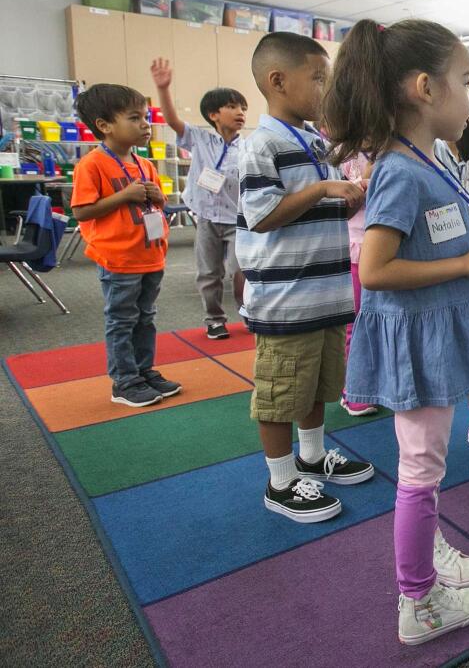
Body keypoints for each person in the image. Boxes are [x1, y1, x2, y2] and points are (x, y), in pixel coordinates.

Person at [324, 19, 469, 645]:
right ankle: (419, 600)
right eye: (465, 81)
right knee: (421, 467)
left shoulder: (425, 160)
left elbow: (430, 236)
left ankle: (429, 557)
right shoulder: (400, 170)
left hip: (433, 330)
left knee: (424, 462)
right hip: (418, 338)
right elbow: (375, 268)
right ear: (426, 88)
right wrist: (466, 261)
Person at [236, 32, 374, 524]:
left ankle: (312, 456)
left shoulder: (314, 139)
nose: (326, 88)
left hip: (325, 293)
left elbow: (317, 203)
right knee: (279, 392)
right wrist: (322, 190)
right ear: (278, 81)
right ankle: (280, 482)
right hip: (286, 299)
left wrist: (346, 196)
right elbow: (263, 215)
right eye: (319, 78)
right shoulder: (260, 145)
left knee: (316, 385)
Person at [72, 84, 176, 407]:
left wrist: (159, 198)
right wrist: (124, 196)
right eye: (134, 118)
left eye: (145, 117)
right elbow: (81, 211)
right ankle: (124, 380)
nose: (145, 124)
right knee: (121, 319)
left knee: (146, 317)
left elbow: (158, 203)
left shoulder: (145, 165)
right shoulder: (92, 165)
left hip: (149, 256)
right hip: (118, 259)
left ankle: (143, 370)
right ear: (104, 125)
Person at [150, 59, 246, 340]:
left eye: (242, 108)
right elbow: (171, 120)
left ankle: (248, 312)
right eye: (232, 107)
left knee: (240, 269)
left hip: (237, 218)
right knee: (208, 272)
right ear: (213, 114)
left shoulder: (249, 146)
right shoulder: (200, 139)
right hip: (206, 217)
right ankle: (214, 319)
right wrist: (163, 88)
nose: (239, 112)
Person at [339, 152, 378, 416]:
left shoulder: (389, 148)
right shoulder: (343, 155)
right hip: (355, 244)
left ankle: (376, 383)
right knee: (355, 322)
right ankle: (353, 390)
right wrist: (365, 181)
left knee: (381, 320)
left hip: (384, 242)